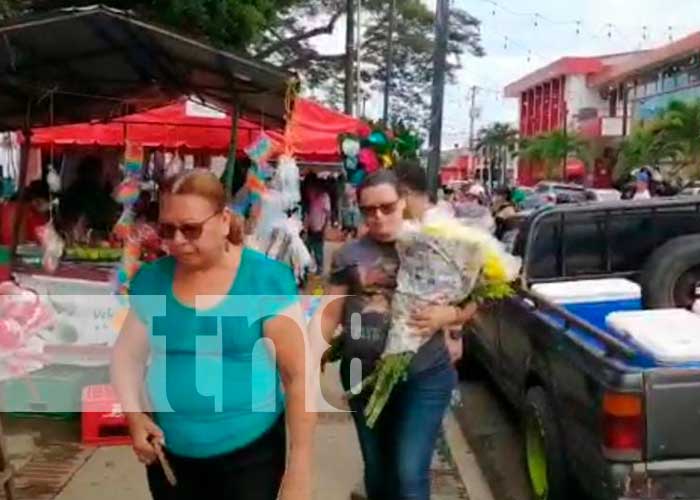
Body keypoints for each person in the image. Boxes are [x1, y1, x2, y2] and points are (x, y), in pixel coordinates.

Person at [111, 170, 315, 500]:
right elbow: (126, 356)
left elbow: (298, 377)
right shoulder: (153, 280)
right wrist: (134, 416)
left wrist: (299, 471)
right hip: (170, 454)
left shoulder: (265, 280)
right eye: (167, 230)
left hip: (250, 454)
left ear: (223, 220)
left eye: (190, 229)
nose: (177, 241)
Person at [316, 169, 476, 500]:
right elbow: (330, 311)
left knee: (408, 472)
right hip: (362, 375)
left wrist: (452, 315)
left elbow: (479, 298)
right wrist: (310, 350)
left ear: (403, 202)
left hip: (425, 375)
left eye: (386, 207)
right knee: (377, 470)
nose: (377, 216)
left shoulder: (436, 247)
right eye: (368, 210)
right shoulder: (349, 255)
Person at [304, 174, 331, 272]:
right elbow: (309, 213)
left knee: (318, 250)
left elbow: (328, 214)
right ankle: (307, 269)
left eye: (310, 188)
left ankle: (320, 269)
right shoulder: (311, 198)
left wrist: (325, 227)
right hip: (311, 227)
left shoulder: (324, 197)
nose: (309, 191)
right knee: (307, 249)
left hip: (320, 227)